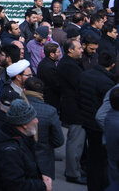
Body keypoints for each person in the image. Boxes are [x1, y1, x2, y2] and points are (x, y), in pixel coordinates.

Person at [0, 99, 52, 191]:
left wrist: (39, 178)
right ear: (24, 124)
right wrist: (43, 186)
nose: (37, 121)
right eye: (34, 118)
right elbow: (15, 185)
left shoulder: (19, 139)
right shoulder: (9, 150)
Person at [79, 50, 116, 190]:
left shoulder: (84, 75)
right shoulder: (107, 83)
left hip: (87, 121)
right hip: (99, 125)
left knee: (93, 158)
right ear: (112, 65)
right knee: (102, 161)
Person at [57, 39, 87, 185]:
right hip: (74, 108)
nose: (82, 50)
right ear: (70, 50)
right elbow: (80, 85)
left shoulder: (70, 64)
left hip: (73, 107)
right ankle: (73, 172)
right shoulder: (69, 66)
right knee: (76, 141)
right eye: (79, 48)